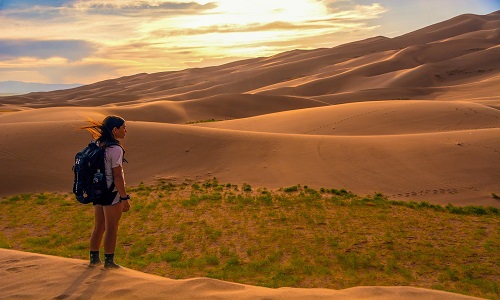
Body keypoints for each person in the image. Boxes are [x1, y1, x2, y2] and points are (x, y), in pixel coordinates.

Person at [82, 115, 130, 269]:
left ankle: (93, 259)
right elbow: (117, 176)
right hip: (111, 193)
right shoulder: (115, 149)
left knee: (99, 226)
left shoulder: (96, 143)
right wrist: (124, 197)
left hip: (97, 190)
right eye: (123, 128)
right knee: (112, 227)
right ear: (115, 130)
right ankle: (109, 262)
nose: (125, 131)